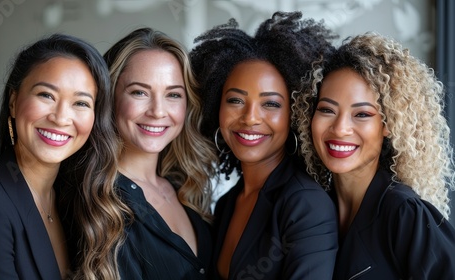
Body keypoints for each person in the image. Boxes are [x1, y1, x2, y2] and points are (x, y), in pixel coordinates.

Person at [0, 33, 124, 280]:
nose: (61, 117)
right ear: (13, 102)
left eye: (81, 103)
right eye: (46, 95)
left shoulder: (73, 196)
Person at [190, 11, 339, 279]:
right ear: (216, 107)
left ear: (295, 114)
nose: (249, 118)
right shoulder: (228, 203)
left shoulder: (306, 204)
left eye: (271, 104)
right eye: (235, 100)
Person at [294, 32, 455, 279]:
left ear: (387, 124)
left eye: (362, 114)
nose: (340, 129)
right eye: (327, 110)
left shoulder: (404, 213)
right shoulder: (311, 207)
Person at [99, 27, 217, 279]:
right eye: (139, 92)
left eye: (173, 94)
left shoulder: (185, 187)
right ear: (110, 97)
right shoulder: (97, 198)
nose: (158, 111)